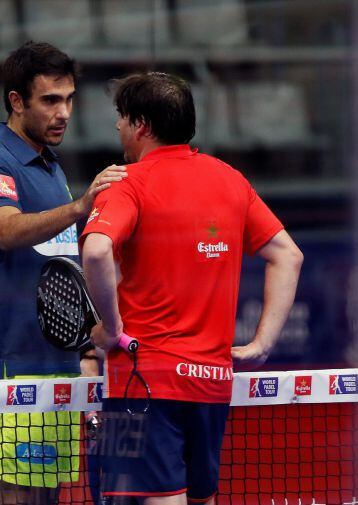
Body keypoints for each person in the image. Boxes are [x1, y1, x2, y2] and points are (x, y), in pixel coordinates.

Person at [80, 72, 303, 504]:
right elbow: (288, 255)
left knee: (139, 499)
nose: (117, 127)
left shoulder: (125, 182)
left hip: (140, 382)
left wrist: (111, 327)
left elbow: (96, 251)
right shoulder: (230, 179)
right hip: (212, 383)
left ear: (141, 125)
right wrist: (261, 343)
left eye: (122, 117)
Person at [0, 41, 126, 505]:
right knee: (15, 498)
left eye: (69, 99)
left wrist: (89, 339)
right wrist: (79, 207)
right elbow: (7, 231)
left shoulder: (50, 166)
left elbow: (58, 269)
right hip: (11, 370)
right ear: (17, 102)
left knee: (45, 499)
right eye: (51, 100)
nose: (64, 112)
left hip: (57, 368)